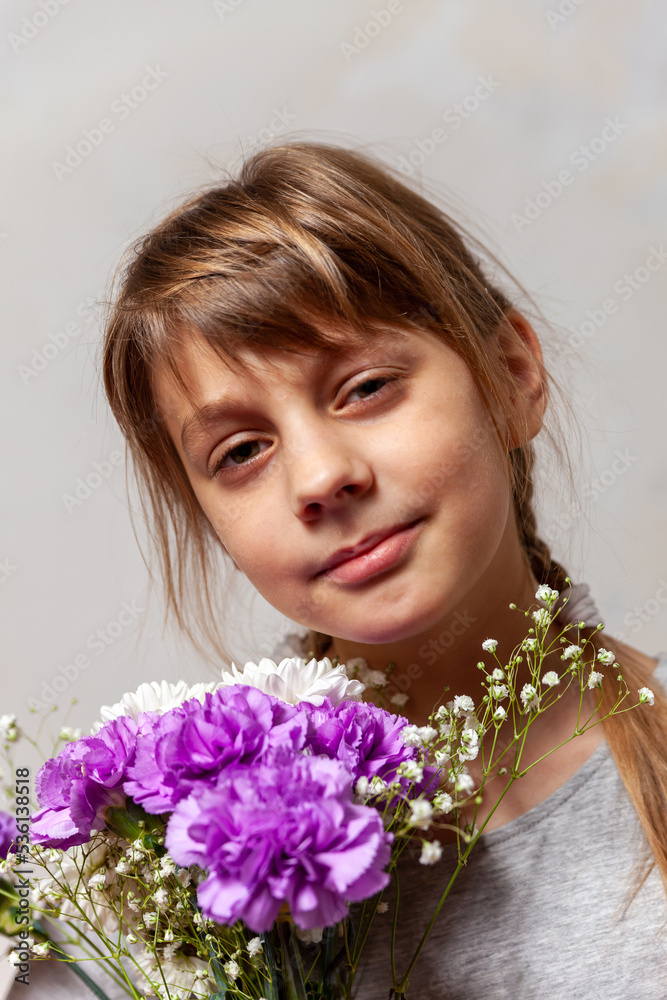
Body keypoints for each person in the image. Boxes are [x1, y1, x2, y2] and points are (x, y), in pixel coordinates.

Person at [99, 140, 667, 998]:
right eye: (242, 450)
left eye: (364, 388)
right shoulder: (180, 881)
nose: (323, 477)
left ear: (511, 376)